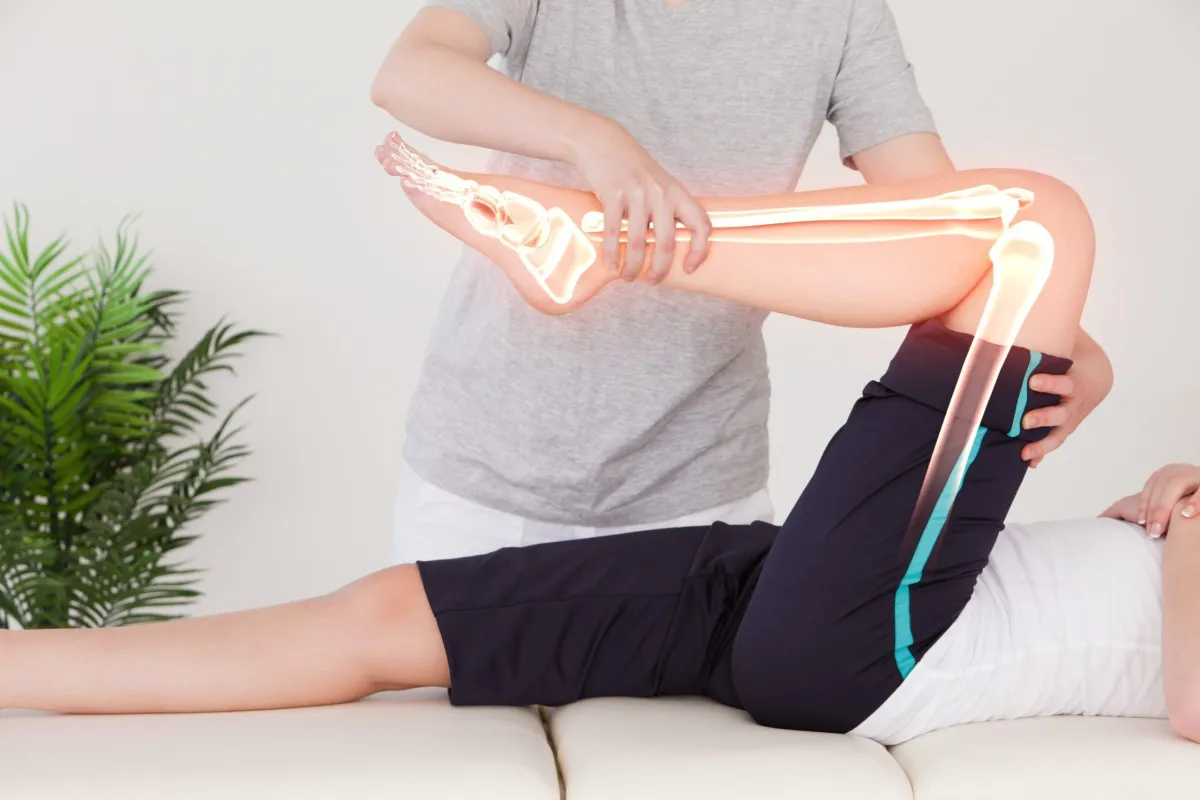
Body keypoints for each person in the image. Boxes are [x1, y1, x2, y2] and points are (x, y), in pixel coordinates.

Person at [2, 155, 1194, 746]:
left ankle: (606, 243)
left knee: (1032, 228)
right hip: (823, 601)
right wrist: (1152, 500)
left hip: (885, 642)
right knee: (386, 617)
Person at [369, 0, 1113, 563]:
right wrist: (596, 140)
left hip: (697, 495)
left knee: (672, 766)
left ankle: (583, 239)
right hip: (476, 480)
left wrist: (1068, 342)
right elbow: (411, 72)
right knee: (468, 764)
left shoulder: (838, 14)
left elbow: (943, 223)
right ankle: (577, 236)